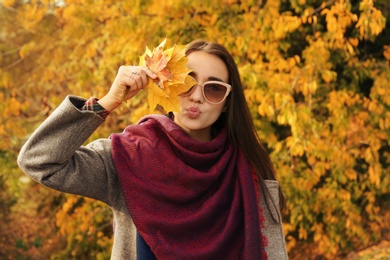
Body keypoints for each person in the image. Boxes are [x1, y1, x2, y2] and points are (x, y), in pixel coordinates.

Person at [17, 39, 288, 259]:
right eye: (187, 83)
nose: (196, 96)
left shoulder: (249, 171)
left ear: (227, 102)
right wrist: (108, 102)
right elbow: (39, 160)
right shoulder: (129, 157)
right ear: (167, 85)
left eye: (214, 89)